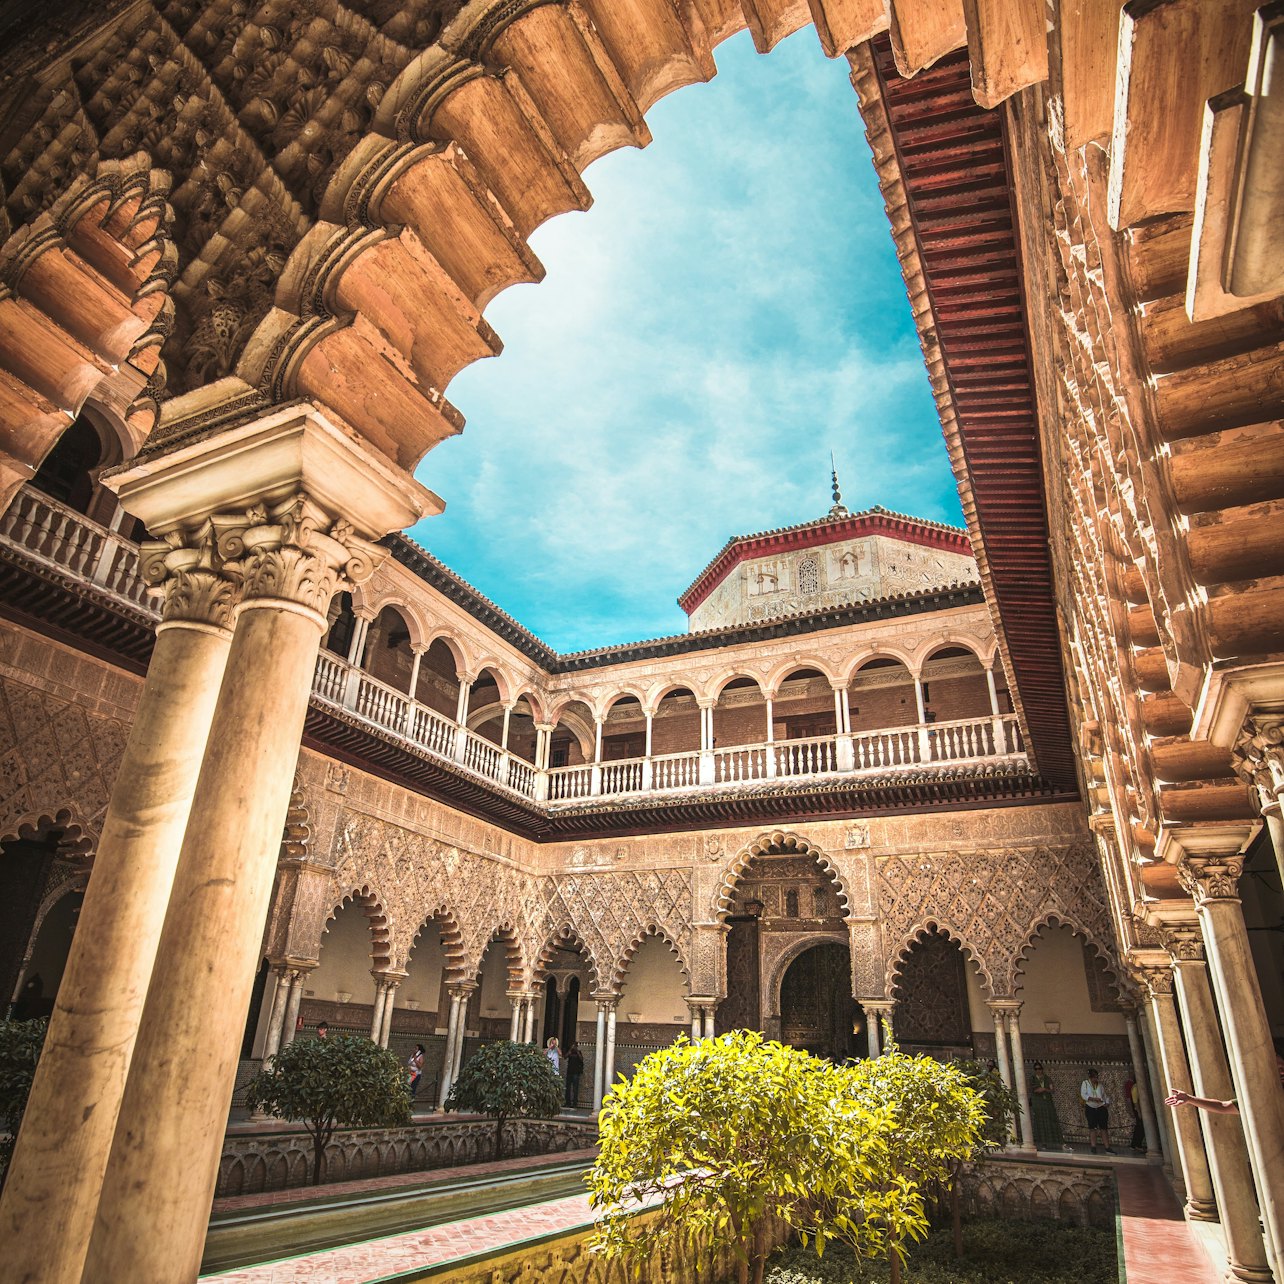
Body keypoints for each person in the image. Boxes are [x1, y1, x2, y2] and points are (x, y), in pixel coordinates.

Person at [1029, 1062, 1069, 1151]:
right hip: (1038, 1103)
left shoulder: (1047, 1078)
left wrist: (1045, 1089)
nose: (1038, 1071)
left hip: (1047, 1102)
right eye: (1036, 1069)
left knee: (1052, 1121)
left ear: (1042, 1069)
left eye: (1039, 1069)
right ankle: (1043, 1143)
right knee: (1040, 1122)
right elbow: (1035, 1090)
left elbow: (1052, 1090)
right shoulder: (1032, 1079)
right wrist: (1043, 1090)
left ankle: (1059, 1142)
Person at [1080, 1067, 1113, 1153]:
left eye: (1096, 1077)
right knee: (1092, 1127)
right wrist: (1093, 1099)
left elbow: (1105, 1095)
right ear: (1090, 1077)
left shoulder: (1100, 1085)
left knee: (1103, 1128)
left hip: (1101, 1107)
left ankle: (1107, 1147)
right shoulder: (1085, 1083)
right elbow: (1083, 1095)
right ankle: (1093, 1146)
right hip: (1090, 1107)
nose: (1096, 1079)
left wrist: (1107, 1102)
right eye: (1094, 1077)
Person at [1124, 1074, 1145, 1153]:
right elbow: (1135, 1101)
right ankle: (1136, 1144)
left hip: (1142, 1110)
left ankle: (1135, 1144)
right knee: (1140, 1127)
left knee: (1140, 1127)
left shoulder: (1140, 1087)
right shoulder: (1135, 1088)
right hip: (1138, 1110)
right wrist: (1139, 1112)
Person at [565, 1042, 584, 1108]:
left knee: (575, 1089)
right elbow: (565, 1057)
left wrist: (577, 1051)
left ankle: (575, 1103)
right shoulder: (570, 1052)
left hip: (576, 1073)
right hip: (569, 1072)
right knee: (568, 1088)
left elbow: (581, 1059)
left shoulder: (578, 1052)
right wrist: (570, 1050)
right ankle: (568, 1103)